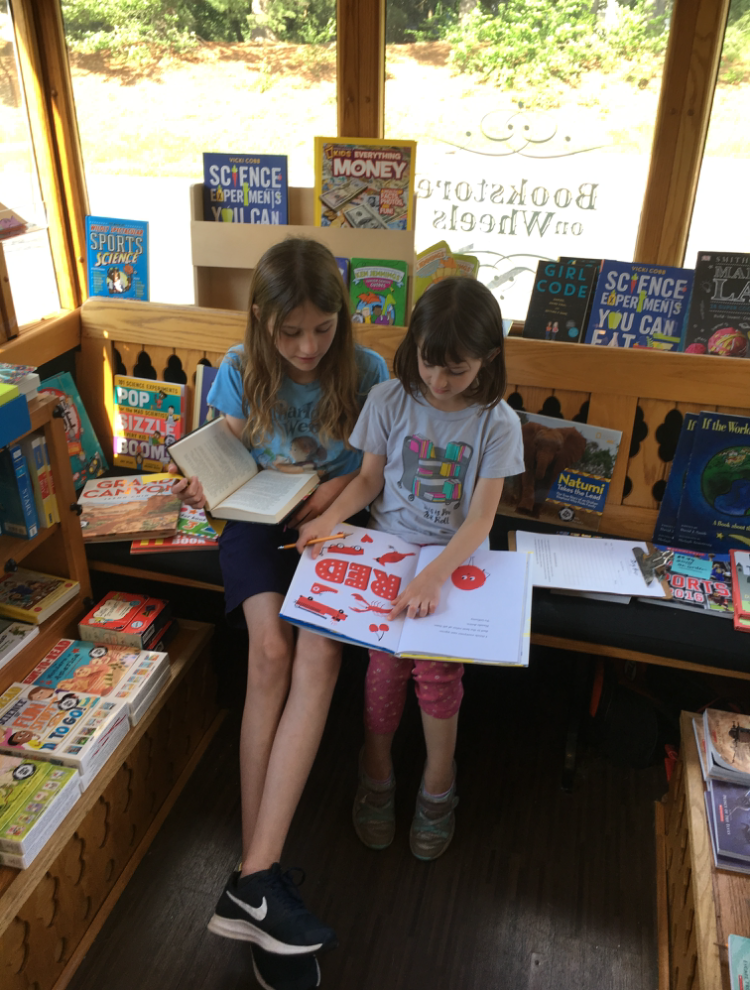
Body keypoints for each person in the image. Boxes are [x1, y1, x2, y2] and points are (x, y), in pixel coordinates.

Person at [170, 238, 388, 985]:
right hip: (258, 522)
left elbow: (369, 467)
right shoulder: (239, 372)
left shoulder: (367, 372)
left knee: (319, 654)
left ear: (342, 319)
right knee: (269, 654)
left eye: (321, 330)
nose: (305, 348)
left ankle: (252, 876)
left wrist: (327, 501)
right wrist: (205, 481)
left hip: (331, 524)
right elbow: (225, 449)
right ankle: (257, 875)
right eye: (288, 332)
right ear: (260, 321)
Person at [297, 276, 524, 862]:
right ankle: (376, 771)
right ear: (414, 343)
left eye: (458, 371)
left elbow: (479, 520)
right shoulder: (390, 399)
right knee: (383, 665)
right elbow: (369, 480)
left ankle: (437, 784)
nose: (440, 383)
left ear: (488, 360)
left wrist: (433, 576)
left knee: (438, 673)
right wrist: (331, 519)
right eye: (430, 363)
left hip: (451, 561)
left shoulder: (496, 422)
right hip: (389, 549)